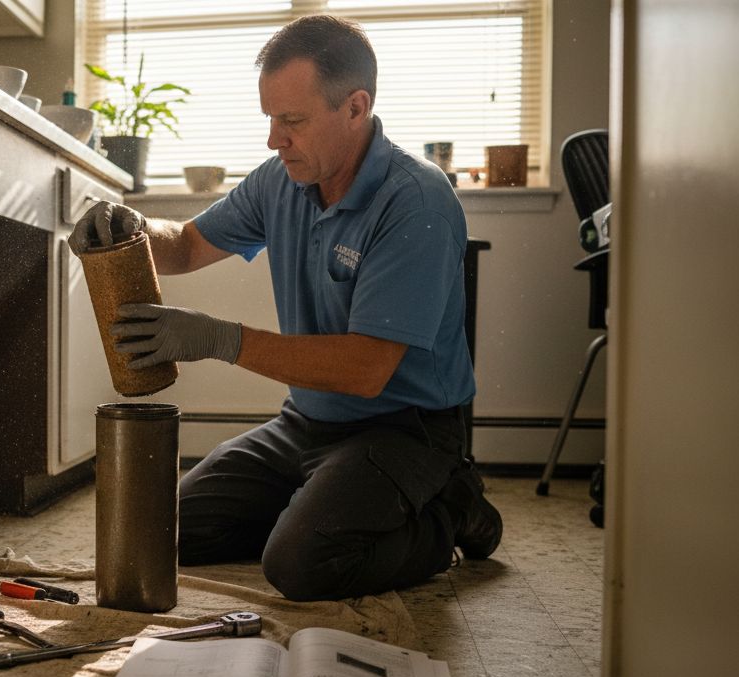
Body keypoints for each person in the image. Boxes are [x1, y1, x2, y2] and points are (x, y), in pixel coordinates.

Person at [68, 14, 501, 601]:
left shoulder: (416, 201)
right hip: (306, 423)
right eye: (271, 119)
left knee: (303, 565)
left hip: (405, 430)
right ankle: (326, 501)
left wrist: (219, 338)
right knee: (162, 533)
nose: (275, 139)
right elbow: (190, 244)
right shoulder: (281, 179)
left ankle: (451, 508)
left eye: (292, 121)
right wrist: (133, 229)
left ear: (355, 107)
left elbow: (365, 370)